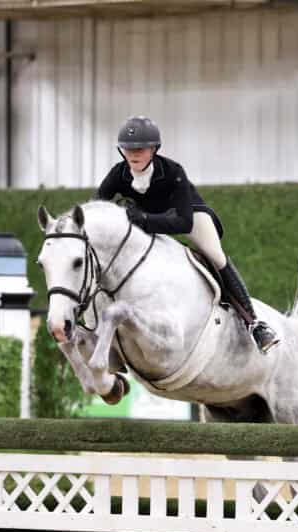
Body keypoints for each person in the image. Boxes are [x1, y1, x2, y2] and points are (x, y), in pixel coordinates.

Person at [95, 115, 280, 354]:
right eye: (128, 148)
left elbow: (183, 221)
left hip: (189, 216)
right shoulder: (118, 174)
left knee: (215, 255)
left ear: (154, 149)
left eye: (140, 149)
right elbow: (97, 207)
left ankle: (255, 324)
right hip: (147, 219)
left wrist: (143, 220)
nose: (133, 154)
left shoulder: (173, 171)